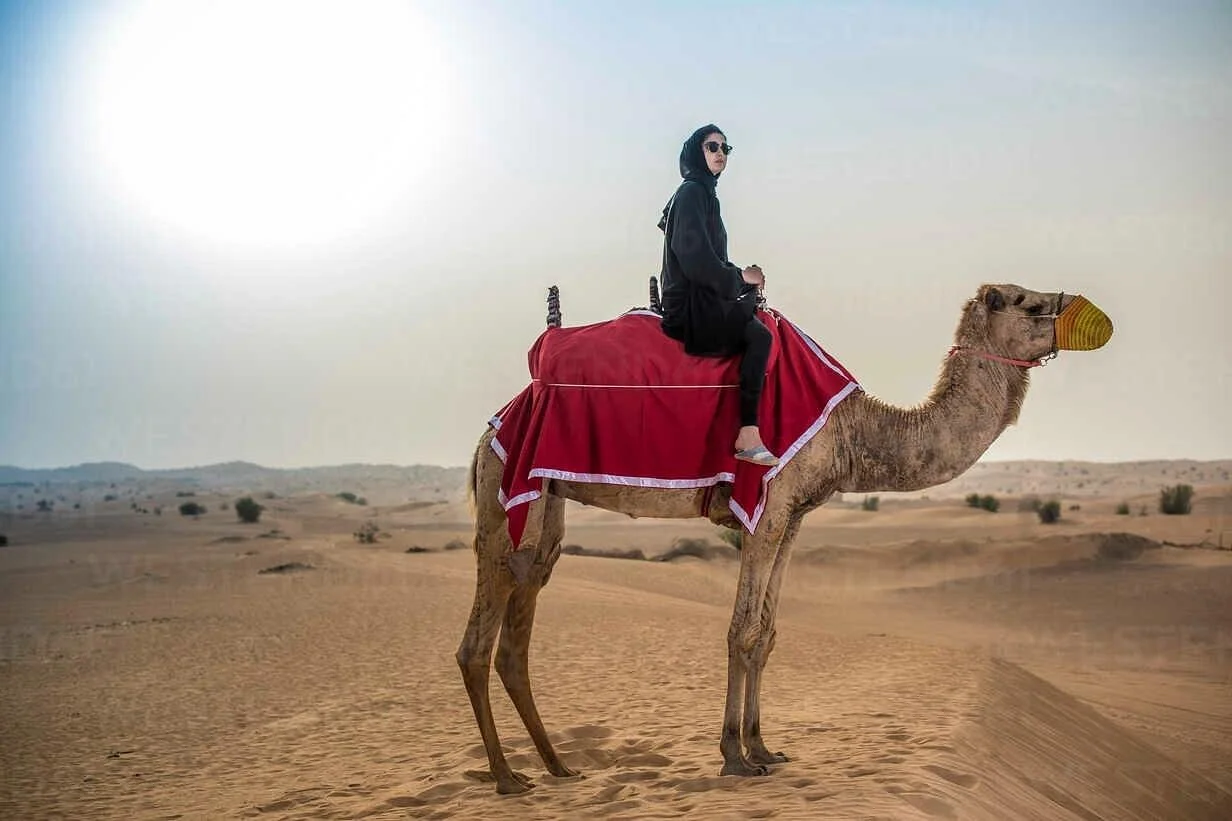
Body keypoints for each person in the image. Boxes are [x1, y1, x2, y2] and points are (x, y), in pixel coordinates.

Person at [657, 124, 778, 467]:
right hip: (691, 307)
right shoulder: (692, 193)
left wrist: (742, 279)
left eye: (726, 148)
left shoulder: (704, 195)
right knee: (759, 336)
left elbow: (713, 261)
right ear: (697, 151)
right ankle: (749, 435)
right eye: (712, 147)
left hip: (703, 297)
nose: (720, 153)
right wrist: (740, 277)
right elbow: (695, 260)